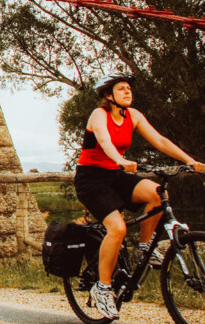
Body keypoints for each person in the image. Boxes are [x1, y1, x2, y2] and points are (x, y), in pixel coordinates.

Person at [75, 73, 204, 319]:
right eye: (121, 89)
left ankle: (144, 249)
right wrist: (120, 159)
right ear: (108, 96)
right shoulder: (98, 114)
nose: (127, 92)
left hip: (116, 174)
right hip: (91, 179)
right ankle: (102, 288)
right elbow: (103, 139)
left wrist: (190, 160)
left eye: (129, 89)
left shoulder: (133, 115)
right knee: (118, 228)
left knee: (158, 193)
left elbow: (160, 140)